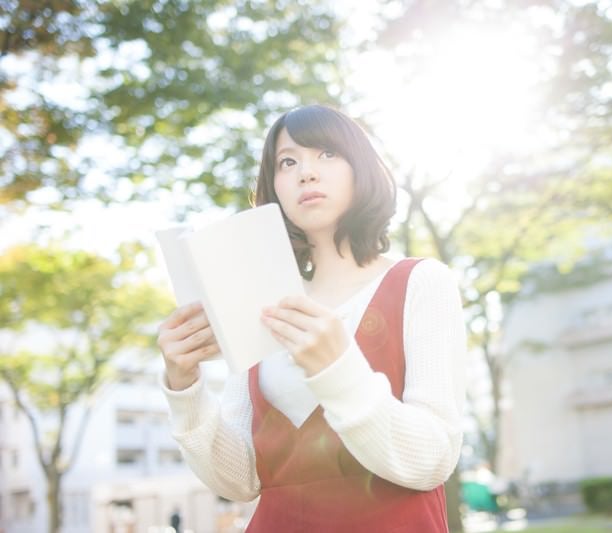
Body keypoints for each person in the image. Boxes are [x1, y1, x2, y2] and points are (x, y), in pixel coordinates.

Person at [156, 104, 466, 532]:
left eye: (326, 154)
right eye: (288, 161)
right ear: (275, 186)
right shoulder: (259, 303)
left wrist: (337, 369)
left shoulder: (421, 282)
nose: (306, 172)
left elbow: (433, 460)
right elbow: (240, 479)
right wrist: (184, 386)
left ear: (361, 169)